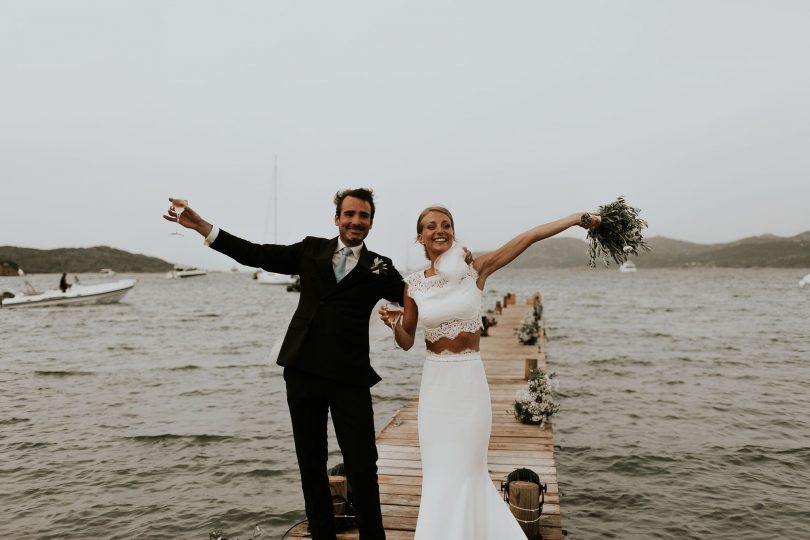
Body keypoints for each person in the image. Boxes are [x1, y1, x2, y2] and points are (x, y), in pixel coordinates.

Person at [163, 189, 405, 540]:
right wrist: (202, 226)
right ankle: (322, 534)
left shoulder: (380, 266)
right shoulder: (310, 250)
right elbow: (256, 254)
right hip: (302, 370)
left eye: (363, 216)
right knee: (311, 462)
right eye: (349, 214)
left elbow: (414, 295)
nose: (356, 221)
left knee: (363, 466)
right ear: (337, 218)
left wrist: (449, 268)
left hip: (350, 378)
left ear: (371, 222)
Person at [380, 206, 601, 539]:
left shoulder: (475, 270)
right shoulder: (412, 286)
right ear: (420, 236)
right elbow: (407, 340)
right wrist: (395, 324)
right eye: (431, 226)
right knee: (439, 471)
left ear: (453, 231)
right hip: (436, 385)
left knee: (469, 469)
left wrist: (574, 219)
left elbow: (528, 237)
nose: (440, 230)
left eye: (446, 225)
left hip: (469, 381)